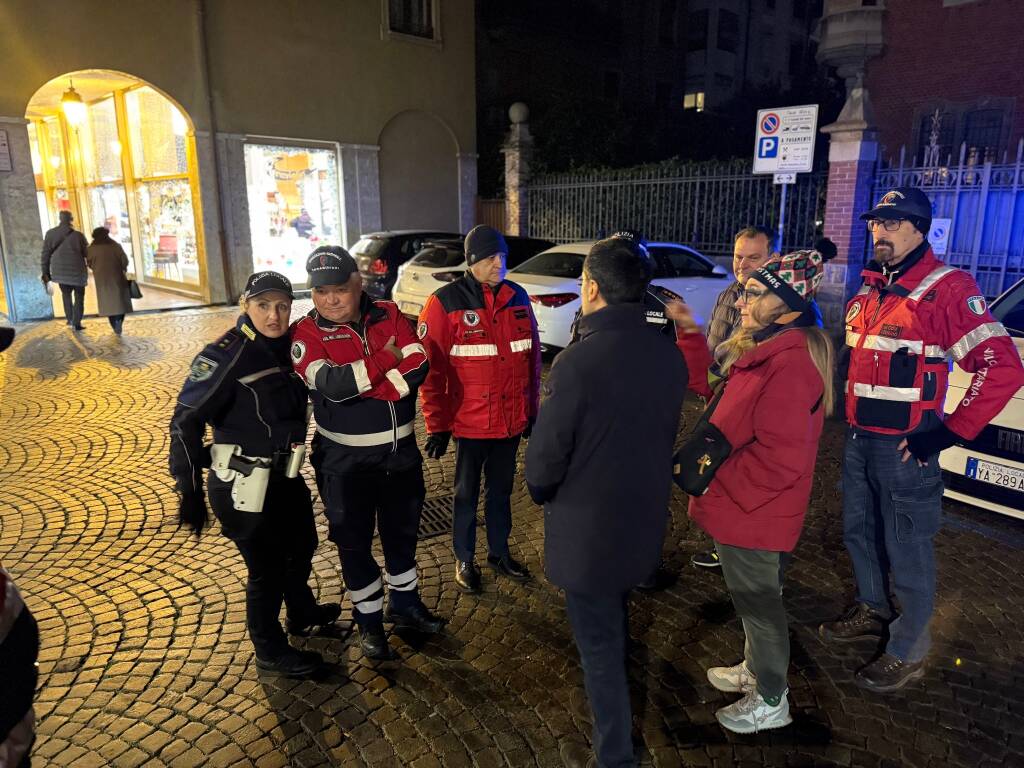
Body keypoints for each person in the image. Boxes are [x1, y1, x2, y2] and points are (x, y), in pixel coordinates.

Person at [820, 187, 1024, 692]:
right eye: (875, 223)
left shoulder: (948, 288)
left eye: (891, 224)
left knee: (907, 545)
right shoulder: (869, 290)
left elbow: (1002, 367)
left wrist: (948, 432)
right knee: (859, 533)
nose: (879, 232)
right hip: (859, 440)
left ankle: (908, 647)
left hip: (906, 448)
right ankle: (872, 607)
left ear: (920, 228)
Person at [526, 236, 686, 768]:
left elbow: (545, 459)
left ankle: (615, 755)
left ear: (591, 287)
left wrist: (539, 490)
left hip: (588, 534)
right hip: (639, 521)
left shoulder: (576, 362)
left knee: (599, 650)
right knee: (611, 622)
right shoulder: (668, 355)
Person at [671, 247, 834, 734]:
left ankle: (770, 700)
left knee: (761, 609)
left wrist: (718, 482)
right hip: (748, 510)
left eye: (755, 293)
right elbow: (712, 390)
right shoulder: (767, 350)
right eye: (745, 290)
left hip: (754, 514)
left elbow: (782, 460)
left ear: (786, 306)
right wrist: (689, 331)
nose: (742, 299)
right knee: (752, 605)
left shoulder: (790, 364)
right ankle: (756, 671)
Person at [169, 271, 339, 678]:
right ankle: (269, 647)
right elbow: (185, 421)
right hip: (243, 483)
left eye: (282, 305)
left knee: (303, 544)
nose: (274, 315)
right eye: (263, 305)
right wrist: (188, 490)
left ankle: (300, 611)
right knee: (266, 568)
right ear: (246, 305)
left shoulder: (287, 349)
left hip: (285, 475)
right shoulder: (227, 355)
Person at [291, 246, 444, 661]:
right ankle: (370, 624)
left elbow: (419, 362)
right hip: (345, 467)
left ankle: (406, 606)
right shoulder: (305, 334)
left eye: (340, 289)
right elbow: (335, 386)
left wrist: (375, 377)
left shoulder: (388, 313)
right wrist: (386, 359)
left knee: (402, 537)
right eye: (321, 292)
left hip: (401, 456)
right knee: (355, 546)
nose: (331, 300)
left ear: (358, 285)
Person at [418, 225, 541, 593]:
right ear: (472, 261)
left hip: (509, 423)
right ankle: (464, 557)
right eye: (490, 258)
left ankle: (499, 553)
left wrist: (531, 411)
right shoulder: (445, 303)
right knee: (465, 494)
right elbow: (430, 370)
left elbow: (531, 359)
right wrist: (437, 424)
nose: (498, 263)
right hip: (470, 424)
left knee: (501, 492)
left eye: (502, 256)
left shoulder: (517, 296)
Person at [40, 210, 89, 331]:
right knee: (79, 296)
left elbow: (45, 254)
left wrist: (45, 272)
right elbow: (87, 253)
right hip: (77, 271)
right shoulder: (79, 235)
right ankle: (77, 322)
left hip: (60, 272)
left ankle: (70, 319)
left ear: (60, 219)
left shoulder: (50, 234)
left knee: (66, 295)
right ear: (71, 219)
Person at [86, 227, 133, 335]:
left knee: (108, 305)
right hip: (117, 278)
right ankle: (119, 322)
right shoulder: (116, 246)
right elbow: (124, 261)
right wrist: (122, 268)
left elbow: (89, 263)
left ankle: (114, 324)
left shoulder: (91, 249)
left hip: (102, 280)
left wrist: (97, 268)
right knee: (120, 303)